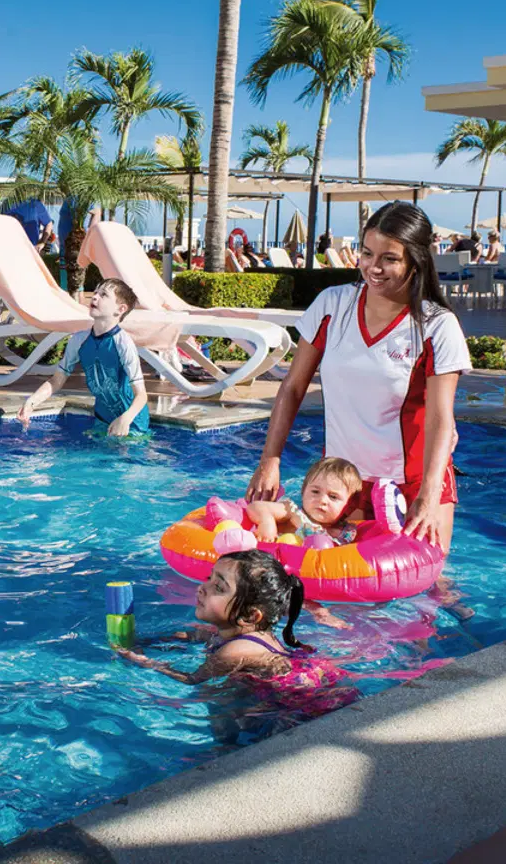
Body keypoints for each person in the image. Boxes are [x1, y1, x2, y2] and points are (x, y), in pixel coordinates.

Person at [247, 202, 471, 552]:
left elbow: (441, 419)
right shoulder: (332, 305)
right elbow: (292, 388)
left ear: (417, 259)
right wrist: (269, 462)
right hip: (342, 483)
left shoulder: (437, 326)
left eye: (390, 258)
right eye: (367, 253)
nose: (374, 267)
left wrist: (427, 497)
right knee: (329, 586)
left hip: (415, 482)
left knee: (430, 592)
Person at [114, 552, 349, 707]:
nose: (201, 588)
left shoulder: (234, 652)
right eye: (209, 578)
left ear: (249, 615)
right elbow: (200, 635)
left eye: (218, 587)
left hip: (298, 703)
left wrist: (147, 662)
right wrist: (152, 641)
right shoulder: (244, 633)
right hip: (302, 675)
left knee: (226, 719)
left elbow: (191, 680)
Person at [16, 278, 149, 437]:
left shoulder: (123, 343)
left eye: (103, 295)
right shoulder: (79, 340)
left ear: (120, 309)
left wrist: (125, 419)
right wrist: (31, 402)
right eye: (95, 292)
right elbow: (57, 380)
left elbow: (141, 395)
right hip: (102, 419)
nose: (94, 297)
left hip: (132, 422)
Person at [231, 457, 364, 549]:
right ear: (303, 491)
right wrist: (267, 523)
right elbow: (256, 506)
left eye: (333, 497)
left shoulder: (346, 532)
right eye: (315, 492)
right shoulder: (292, 513)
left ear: (349, 506)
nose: (322, 500)